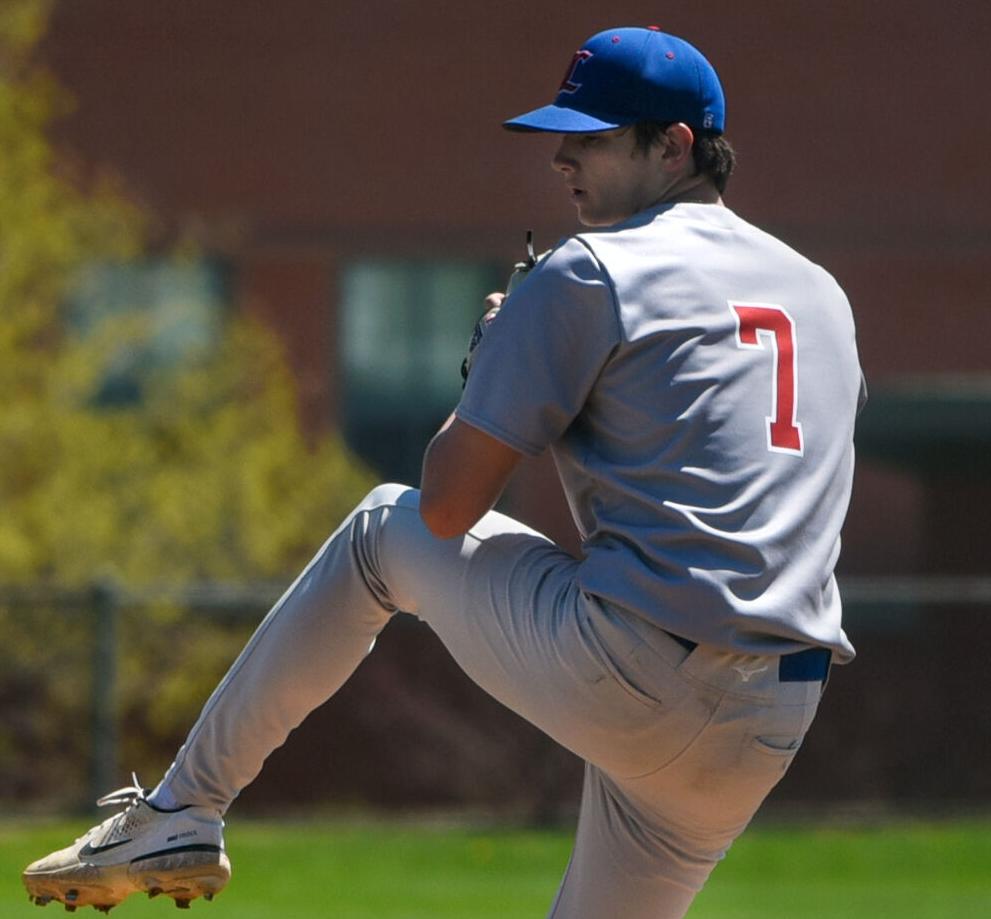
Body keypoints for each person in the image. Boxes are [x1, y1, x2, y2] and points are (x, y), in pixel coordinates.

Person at [23, 25, 864, 919]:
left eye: (591, 135)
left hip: (640, 673)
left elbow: (449, 507)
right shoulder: (818, 290)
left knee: (383, 528)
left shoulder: (596, 269)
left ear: (675, 145)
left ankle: (182, 808)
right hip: (773, 714)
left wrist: (496, 352)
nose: (562, 156)